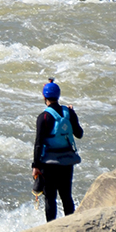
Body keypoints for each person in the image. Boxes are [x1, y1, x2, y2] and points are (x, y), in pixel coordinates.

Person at [31, 79, 83, 222]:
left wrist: (35, 166)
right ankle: (71, 224)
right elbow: (79, 134)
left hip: (49, 164)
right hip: (67, 162)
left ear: (44, 97)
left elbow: (38, 144)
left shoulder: (44, 117)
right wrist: (73, 114)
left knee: (50, 199)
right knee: (66, 196)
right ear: (58, 96)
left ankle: (51, 228)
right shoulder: (69, 113)